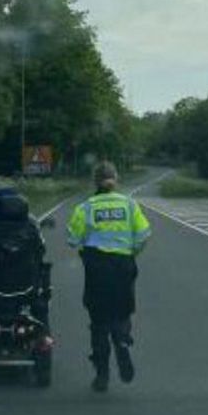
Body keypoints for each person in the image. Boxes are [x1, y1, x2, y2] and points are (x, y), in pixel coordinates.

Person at [66, 162, 151, 392]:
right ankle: (122, 341)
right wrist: (131, 251)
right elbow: (144, 233)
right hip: (123, 266)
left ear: (95, 181)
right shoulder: (129, 205)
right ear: (116, 180)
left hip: (97, 268)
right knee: (122, 311)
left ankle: (102, 374)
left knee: (99, 322)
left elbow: (72, 238)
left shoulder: (86, 207)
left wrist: (87, 244)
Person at [0, 187, 49, 328]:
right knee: (40, 308)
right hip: (27, 288)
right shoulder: (31, 226)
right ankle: (45, 336)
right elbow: (41, 250)